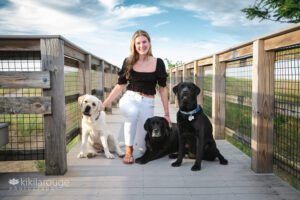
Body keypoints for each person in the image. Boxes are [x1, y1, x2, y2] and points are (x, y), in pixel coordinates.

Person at [102, 30, 170, 164]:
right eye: (138, 43)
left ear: (149, 43)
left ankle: (137, 146)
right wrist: (105, 103)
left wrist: (167, 113)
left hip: (148, 101)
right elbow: (120, 86)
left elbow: (162, 89)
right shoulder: (128, 61)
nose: (141, 45)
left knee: (144, 145)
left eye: (144, 42)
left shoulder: (159, 63)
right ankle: (129, 150)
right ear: (134, 45)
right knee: (132, 114)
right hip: (130, 98)